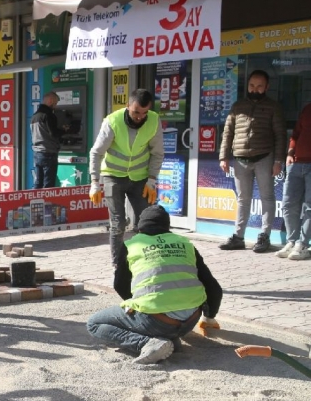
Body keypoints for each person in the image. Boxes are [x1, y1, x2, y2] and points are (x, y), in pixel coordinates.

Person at [87, 205, 223, 364]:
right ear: (168, 226)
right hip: (189, 321)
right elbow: (214, 288)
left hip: (156, 321)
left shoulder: (132, 245)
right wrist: (209, 318)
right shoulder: (185, 243)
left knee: (94, 324)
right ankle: (168, 338)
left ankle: (145, 343)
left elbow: (119, 284)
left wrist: (138, 304)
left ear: (140, 226)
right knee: (166, 316)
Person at [89, 89, 164, 263]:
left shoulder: (153, 121)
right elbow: (96, 152)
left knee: (145, 221)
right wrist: (94, 181)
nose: (140, 117)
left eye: (145, 113)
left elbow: (157, 153)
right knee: (118, 223)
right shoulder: (113, 121)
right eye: (136, 112)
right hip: (113, 176)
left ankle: (146, 261)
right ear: (127, 106)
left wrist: (152, 179)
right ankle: (118, 264)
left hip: (140, 178)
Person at [218, 69, 286, 253]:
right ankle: (238, 237)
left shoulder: (273, 107)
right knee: (243, 199)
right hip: (240, 159)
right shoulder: (237, 106)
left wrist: (278, 160)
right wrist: (223, 156)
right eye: (251, 85)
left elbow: (280, 135)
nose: (255, 89)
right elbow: (228, 133)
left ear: (267, 87)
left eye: (259, 86)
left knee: (267, 197)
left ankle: (264, 236)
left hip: (265, 156)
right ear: (247, 85)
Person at [276, 102, 311, 260]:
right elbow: (296, 134)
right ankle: (292, 241)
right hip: (296, 163)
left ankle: (302, 244)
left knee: (309, 207)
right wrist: (290, 152)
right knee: (288, 204)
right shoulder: (307, 108)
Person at [30, 91, 61, 188]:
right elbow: (54, 133)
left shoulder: (34, 116)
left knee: (38, 182)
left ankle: (35, 201)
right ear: (50, 100)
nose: (55, 106)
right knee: (48, 184)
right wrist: (65, 131)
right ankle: (47, 203)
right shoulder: (48, 115)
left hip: (37, 153)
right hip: (48, 153)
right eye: (55, 103)